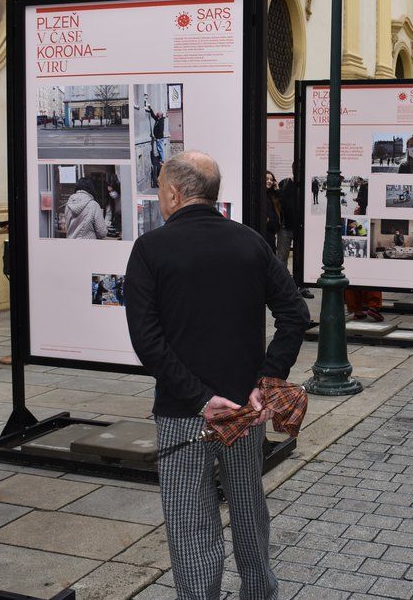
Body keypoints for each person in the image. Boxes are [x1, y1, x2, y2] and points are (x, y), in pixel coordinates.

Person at [124, 151, 310, 599]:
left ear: (171, 192)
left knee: (190, 520)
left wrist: (197, 398)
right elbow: (295, 314)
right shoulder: (250, 242)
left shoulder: (150, 249)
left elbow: (147, 341)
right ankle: (259, 591)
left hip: (183, 412)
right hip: (245, 408)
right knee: (248, 505)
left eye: (160, 189)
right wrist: (266, 381)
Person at [263, 170, 281, 251]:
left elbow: (282, 207)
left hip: (271, 233)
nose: (269, 181)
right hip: (264, 234)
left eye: (271, 179)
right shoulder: (261, 195)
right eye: (266, 179)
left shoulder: (271, 195)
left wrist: (277, 190)